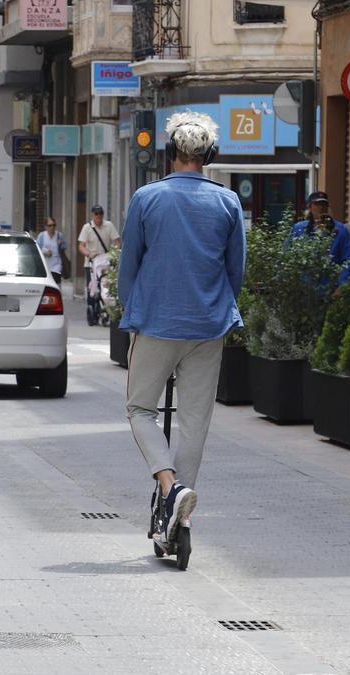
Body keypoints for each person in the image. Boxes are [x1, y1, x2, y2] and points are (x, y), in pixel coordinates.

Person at [118, 110, 245, 553]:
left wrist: (129, 310)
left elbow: (129, 264)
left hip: (156, 320)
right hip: (208, 326)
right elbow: (236, 272)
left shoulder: (146, 198)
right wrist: (219, 307)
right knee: (194, 422)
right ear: (209, 156)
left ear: (170, 153)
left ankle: (170, 487)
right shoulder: (229, 202)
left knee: (139, 409)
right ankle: (181, 508)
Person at [287, 191, 350, 284]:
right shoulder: (299, 229)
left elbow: (348, 259)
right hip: (303, 288)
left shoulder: (340, 230)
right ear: (310, 207)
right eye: (317, 204)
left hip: (330, 287)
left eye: (324, 204)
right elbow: (287, 255)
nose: (321, 207)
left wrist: (342, 285)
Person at [78, 205, 121, 302]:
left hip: (105, 263)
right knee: (92, 289)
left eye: (101, 213)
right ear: (92, 215)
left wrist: (113, 254)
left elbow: (118, 242)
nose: (99, 216)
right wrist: (89, 253)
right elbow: (81, 246)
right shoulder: (87, 228)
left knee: (106, 288)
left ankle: (105, 308)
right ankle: (92, 309)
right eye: (96, 214)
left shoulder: (109, 225)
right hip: (91, 264)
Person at [36, 217, 65, 284]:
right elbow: (37, 249)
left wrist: (60, 244)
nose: (52, 227)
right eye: (50, 225)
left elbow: (64, 247)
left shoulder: (59, 235)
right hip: (45, 265)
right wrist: (45, 253)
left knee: (55, 282)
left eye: (54, 225)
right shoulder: (42, 236)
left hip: (56, 264)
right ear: (45, 226)